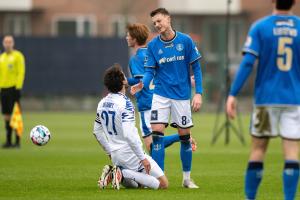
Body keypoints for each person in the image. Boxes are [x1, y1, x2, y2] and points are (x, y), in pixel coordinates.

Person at [226, 0, 300, 199]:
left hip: (266, 99)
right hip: (294, 100)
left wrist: (233, 93)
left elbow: (248, 62)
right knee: (292, 153)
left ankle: (251, 198)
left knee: (258, 150)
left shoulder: (261, 26)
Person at [131, 8, 203, 188]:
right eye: (154, 23)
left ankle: (186, 179)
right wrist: (142, 85)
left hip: (181, 97)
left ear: (168, 19)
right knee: (157, 136)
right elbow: (149, 71)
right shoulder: (153, 46)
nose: (157, 25)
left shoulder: (185, 41)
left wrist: (199, 93)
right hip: (161, 96)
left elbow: (197, 68)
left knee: (184, 137)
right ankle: (158, 180)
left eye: (159, 21)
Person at [93, 64, 168, 190]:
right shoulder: (126, 104)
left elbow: (97, 131)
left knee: (139, 185)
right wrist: (142, 158)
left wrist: (109, 151)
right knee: (163, 184)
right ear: (123, 81)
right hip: (130, 154)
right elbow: (128, 135)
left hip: (116, 155)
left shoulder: (102, 103)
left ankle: (118, 173)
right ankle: (122, 173)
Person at [125, 23, 181, 152]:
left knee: (152, 145)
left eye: (128, 35)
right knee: (156, 143)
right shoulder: (154, 54)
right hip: (160, 101)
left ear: (134, 38)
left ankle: (182, 137)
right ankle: (182, 137)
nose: (126, 37)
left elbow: (141, 80)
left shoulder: (136, 58)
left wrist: (125, 81)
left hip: (146, 103)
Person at [0, 35, 25, 148]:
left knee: (16, 115)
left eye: (10, 42)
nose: (7, 44)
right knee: (6, 115)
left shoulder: (18, 56)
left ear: (13, 43)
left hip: (14, 89)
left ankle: (17, 141)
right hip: (3, 89)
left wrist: (18, 87)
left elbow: (21, 72)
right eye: (6, 42)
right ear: (3, 44)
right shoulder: (2, 57)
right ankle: (8, 141)